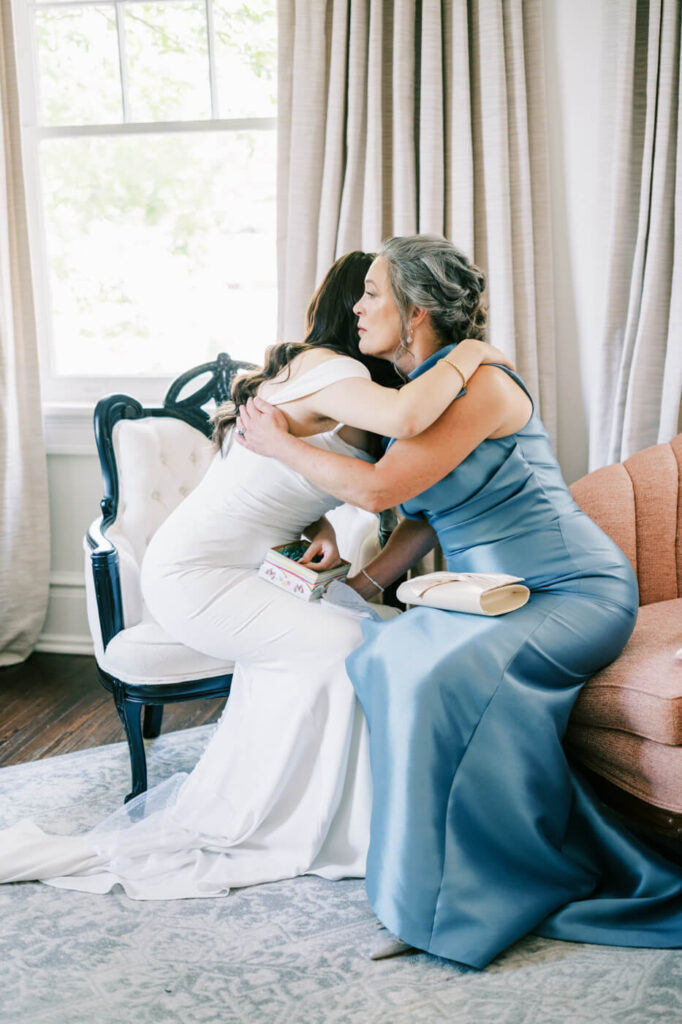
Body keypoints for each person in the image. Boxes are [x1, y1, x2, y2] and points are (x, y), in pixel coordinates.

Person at [0, 250, 509, 899]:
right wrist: (476, 354)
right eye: (367, 294)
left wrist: (316, 528)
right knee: (342, 644)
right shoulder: (332, 369)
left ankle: (313, 804)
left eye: (375, 299)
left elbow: (272, 485)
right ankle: (299, 824)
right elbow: (405, 420)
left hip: (243, 568)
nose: (363, 310)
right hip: (195, 575)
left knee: (359, 630)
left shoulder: (344, 383)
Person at [236, 234, 682, 967]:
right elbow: (424, 509)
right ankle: (436, 889)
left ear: (414, 311)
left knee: (437, 677)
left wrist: (278, 444)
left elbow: (380, 491)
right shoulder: (426, 385)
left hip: (568, 589)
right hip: (479, 594)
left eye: (373, 292)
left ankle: (471, 899)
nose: (357, 306)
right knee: (385, 658)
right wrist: (368, 583)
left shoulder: (484, 385)